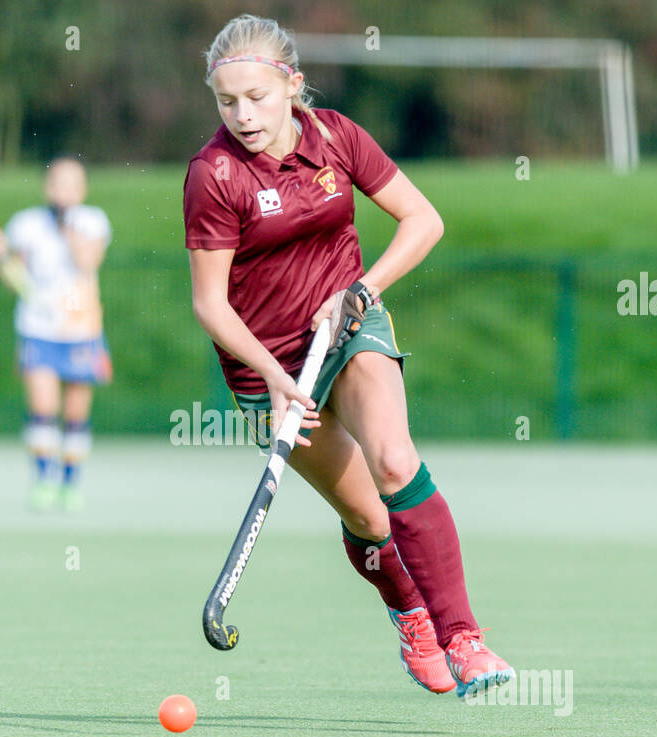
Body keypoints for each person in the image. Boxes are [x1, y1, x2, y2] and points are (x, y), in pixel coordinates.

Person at [183, 15, 514, 697]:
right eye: (226, 101)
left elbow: (424, 220)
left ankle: (465, 639)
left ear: (292, 86)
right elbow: (212, 305)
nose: (242, 115)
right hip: (265, 366)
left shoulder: (335, 136)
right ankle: (408, 611)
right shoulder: (214, 175)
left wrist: (362, 290)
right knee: (368, 519)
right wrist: (274, 377)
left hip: (347, 326)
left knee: (396, 460)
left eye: (257, 97)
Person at [0, 158, 112, 511]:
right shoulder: (26, 224)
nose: (63, 191)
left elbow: (88, 262)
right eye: (57, 183)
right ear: (46, 186)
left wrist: (68, 231)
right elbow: (15, 278)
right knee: (42, 407)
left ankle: (71, 484)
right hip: (38, 328)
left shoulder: (93, 220)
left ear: (82, 189)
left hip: (82, 330)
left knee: (75, 413)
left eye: (72, 184)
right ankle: (43, 479)